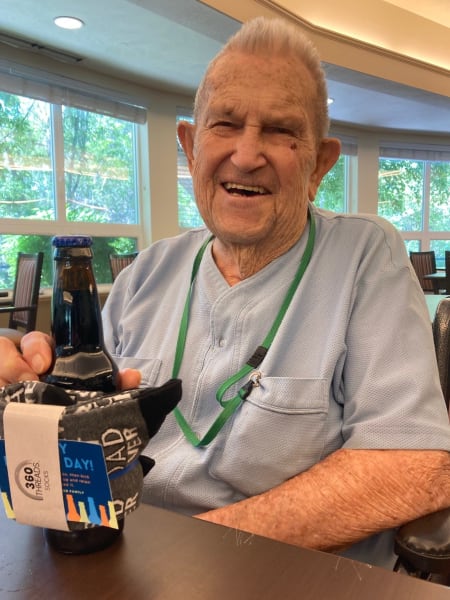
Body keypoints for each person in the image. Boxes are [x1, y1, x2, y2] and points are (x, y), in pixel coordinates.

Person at [1, 16, 450, 570]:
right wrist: (26, 407)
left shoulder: (365, 256)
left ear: (319, 165)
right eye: (226, 124)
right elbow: (82, 445)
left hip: (289, 574)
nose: (246, 154)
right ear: (191, 148)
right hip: (126, 566)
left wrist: (186, 554)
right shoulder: (146, 272)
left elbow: (413, 466)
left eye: (282, 131)